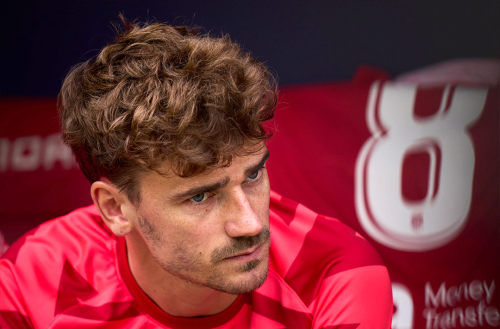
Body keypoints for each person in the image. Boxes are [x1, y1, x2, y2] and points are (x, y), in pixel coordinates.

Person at [0, 18, 393, 328]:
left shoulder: (336, 274)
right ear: (117, 209)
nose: (251, 223)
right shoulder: (30, 279)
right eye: (200, 196)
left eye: (253, 176)